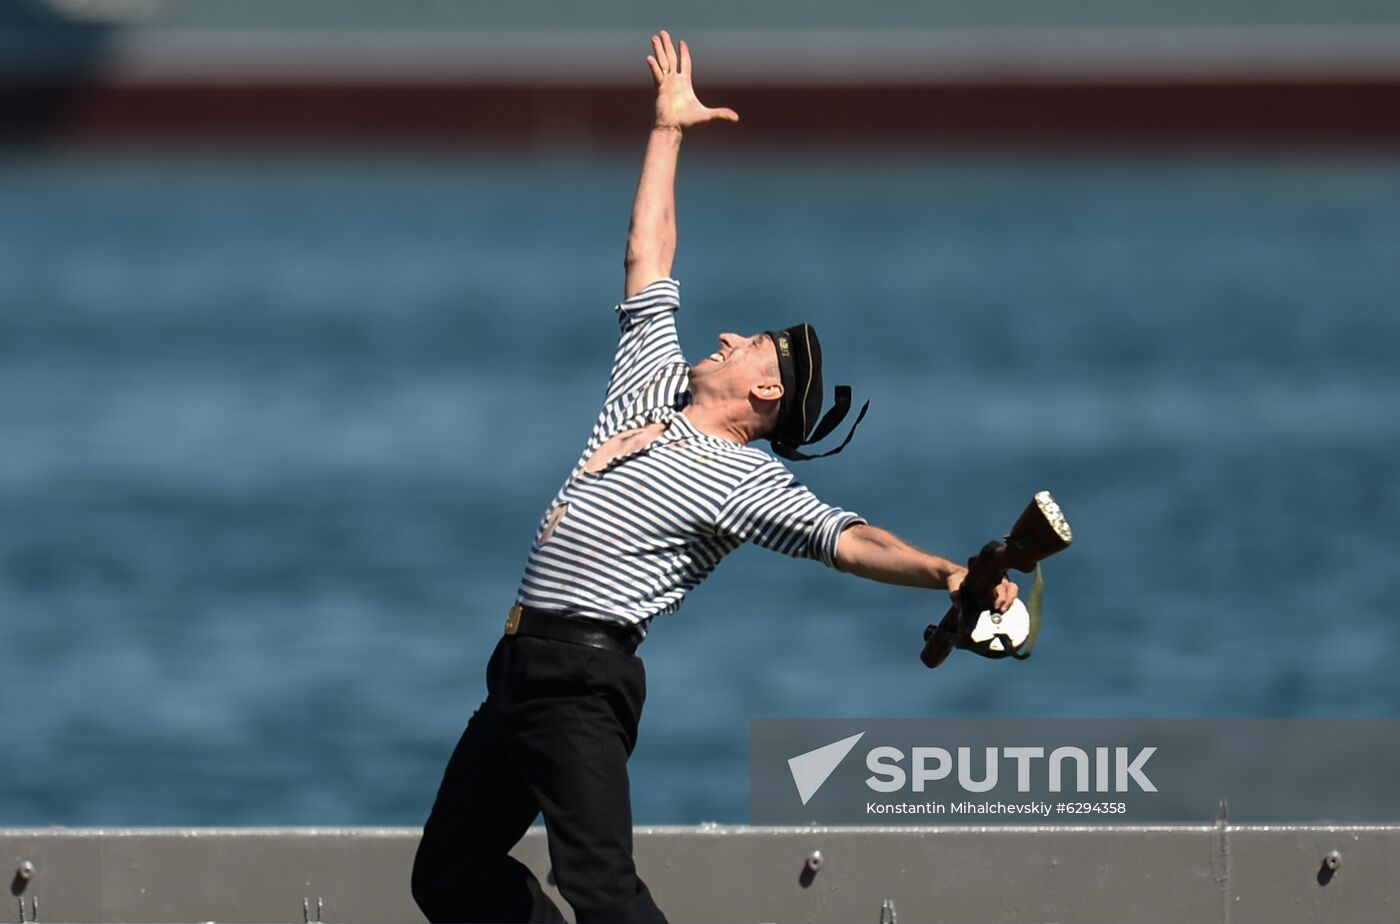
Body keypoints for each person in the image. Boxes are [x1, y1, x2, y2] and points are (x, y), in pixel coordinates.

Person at [409, 30, 1019, 924]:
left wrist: (953, 576)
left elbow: (850, 541)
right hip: (517, 666)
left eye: (750, 345)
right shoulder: (647, 386)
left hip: (581, 681)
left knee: (601, 888)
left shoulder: (744, 481)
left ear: (764, 390)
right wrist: (668, 130)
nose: (728, 336)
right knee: (449, 876)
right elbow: (646, 254)